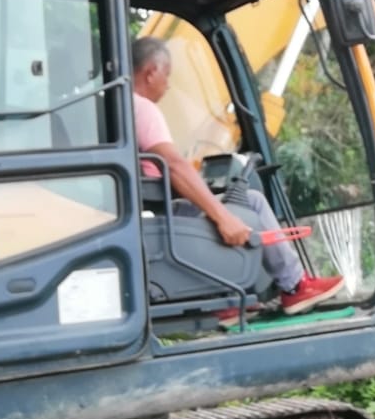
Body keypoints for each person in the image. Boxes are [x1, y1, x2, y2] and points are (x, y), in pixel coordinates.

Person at [131, 36, 343, 316]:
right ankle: (294, 286)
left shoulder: (115, 107)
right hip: (162, 215)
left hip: (146, 213)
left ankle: (233, 298)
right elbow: (174, 165)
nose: (168, 85)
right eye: (167, 75)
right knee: (251, 201)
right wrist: (222, 216)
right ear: (151, 72)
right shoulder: (142, 108)